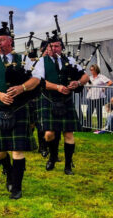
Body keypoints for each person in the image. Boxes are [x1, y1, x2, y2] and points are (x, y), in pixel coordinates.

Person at [0, 22, 40, 200]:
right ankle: (8, 171)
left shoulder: (24, 59)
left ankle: (17, 187)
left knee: (17, 149)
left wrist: (22, 87)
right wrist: (0, 95)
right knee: (0, 152)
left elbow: (36, 79)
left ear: (10, 41)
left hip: (19, 108)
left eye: (2, 40)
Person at [33, 33, 89, 175]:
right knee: (49, 134)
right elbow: (40, 81)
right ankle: (52, 156)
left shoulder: (69, 60)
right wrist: (57, 87)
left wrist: (77, 82)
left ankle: (68, 165)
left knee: (68, 134)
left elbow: (85, 76)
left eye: (57, 46)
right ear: (48, 48)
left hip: (66, 101)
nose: (54, 49)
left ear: (61, 47)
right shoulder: (42, 62)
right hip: (49, 99)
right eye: (51, 47)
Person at [86, 65, 112, 131]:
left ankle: (99, 127)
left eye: (92, 70)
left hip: (99, 97)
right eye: (90, 70)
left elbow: (110, 82)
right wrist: (88, 88)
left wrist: (104, 87)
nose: (91, 71)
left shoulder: (101, 77)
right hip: (91, 97)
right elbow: (88, 85)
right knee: (88, 112)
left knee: (99, 112)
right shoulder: (90, 77)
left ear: (96, 70)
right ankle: (88, 127)